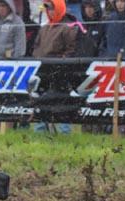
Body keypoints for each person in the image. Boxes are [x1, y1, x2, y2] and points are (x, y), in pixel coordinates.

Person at [32, 0, 78, 134]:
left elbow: (72, 50)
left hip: (60, 70)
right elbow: (36, 47)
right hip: (43, 69)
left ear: (59, 8)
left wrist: (61, 62)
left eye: (52, 8)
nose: (50, 11)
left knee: (62, 100)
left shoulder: (68, 27)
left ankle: (65, 131)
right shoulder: (44, 28)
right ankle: (40, 128)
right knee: (41, 99)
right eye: (48, 9)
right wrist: (37, 59)